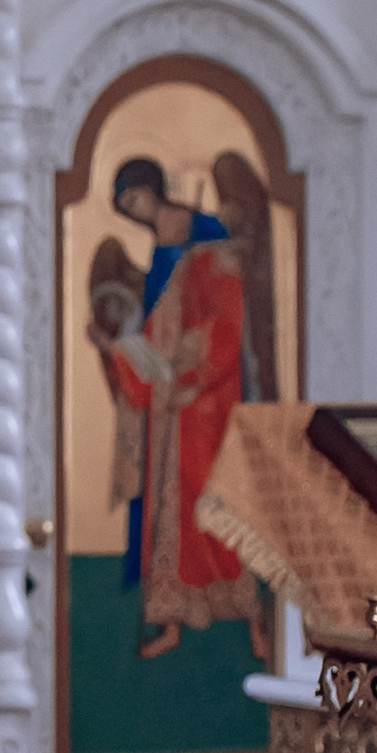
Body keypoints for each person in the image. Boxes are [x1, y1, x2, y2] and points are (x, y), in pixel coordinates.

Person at [107, 157, 270, 659]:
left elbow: (225, 322)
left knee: (219, 506)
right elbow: (161, 316)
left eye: (134, 200)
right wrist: (124, 349)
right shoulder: (173, 250)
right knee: (170, 513)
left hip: (210, 403)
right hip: (173, 405)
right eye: (124, 208)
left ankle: (255, 626)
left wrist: (194, 379)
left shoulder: (212, 248)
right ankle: (172, 621)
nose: (133, 213)